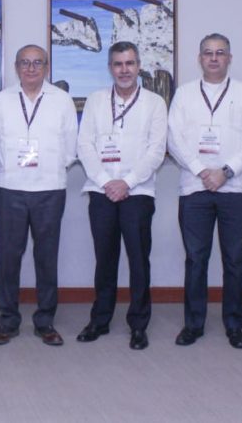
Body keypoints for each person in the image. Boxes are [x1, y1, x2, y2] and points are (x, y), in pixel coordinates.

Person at [167, 33, 242, 349]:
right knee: (196, 258)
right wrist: (201, 170)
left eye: (220, 52)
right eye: (208, 52)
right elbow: (174, 139)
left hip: (235, 187)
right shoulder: (184, 94)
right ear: (199, 58)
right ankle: (193, 324)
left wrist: (225, 172)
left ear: (229, 58)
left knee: (235, 259)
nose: (213, 58)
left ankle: (234, 325)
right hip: (194, 188)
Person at [76, 41, 167, 350]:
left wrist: (126, 182)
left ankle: (138, 325)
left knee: (139, 259)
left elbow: (156, 151)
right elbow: (84, 145)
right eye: (118, 64)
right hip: (101, 190)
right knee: (105, 259)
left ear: (138, 66)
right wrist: (106, 182)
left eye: (129, 63)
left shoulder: (154, 103)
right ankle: (100, 320)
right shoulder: (96, 100)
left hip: (138, 191)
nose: (124, 70)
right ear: (110, 68)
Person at [0, 44, 78, 347]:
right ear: (16, 67)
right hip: (11, 187)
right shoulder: (2, 100)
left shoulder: (62, 100)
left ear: (47, 67)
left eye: (37, 62)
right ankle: (8, 321)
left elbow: (70, 146)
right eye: (25, 63)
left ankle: (45, 322)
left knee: (46, 257)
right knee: (9, 257)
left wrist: (52, 169)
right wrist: (7, 169)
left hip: (49, 188)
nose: (31, 68)